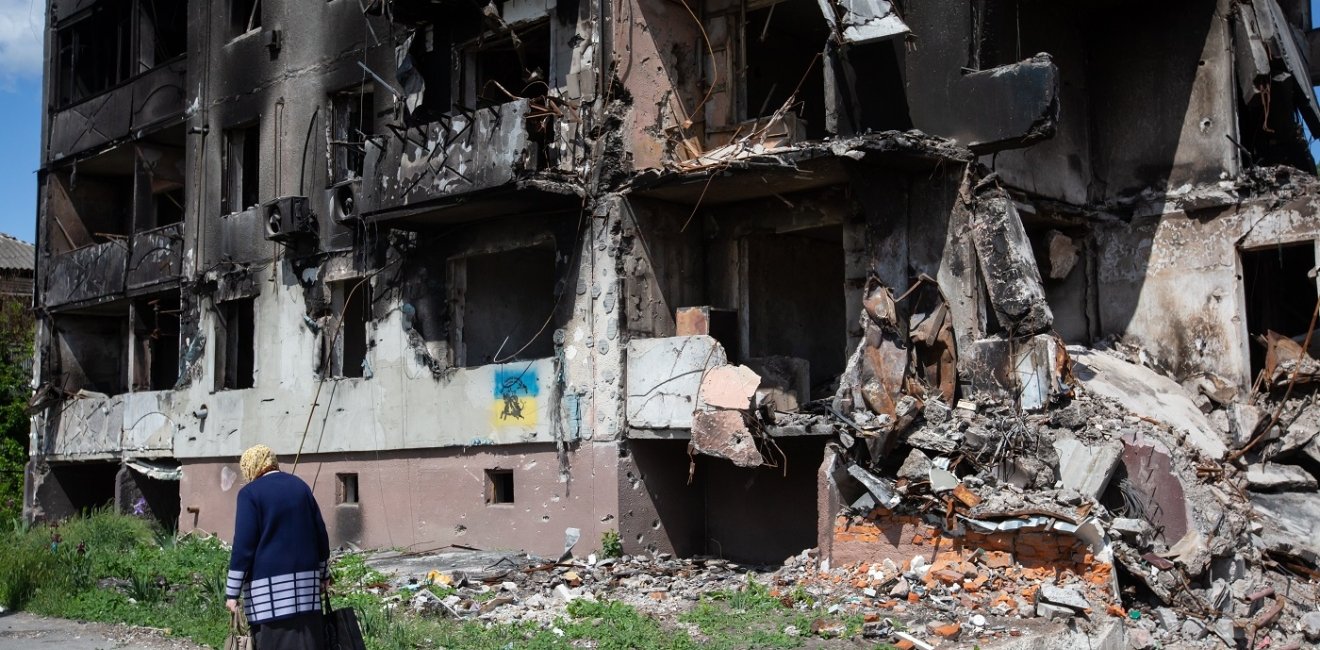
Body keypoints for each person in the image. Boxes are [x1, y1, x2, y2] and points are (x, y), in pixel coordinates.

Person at [225, 445, 330, 649]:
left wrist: (232, 593)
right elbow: (321, 534)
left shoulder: (250, 494)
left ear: (251, 467)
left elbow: (243, 547)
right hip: (307, 591)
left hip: (269, 598)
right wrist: (324, 574)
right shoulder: (300, 486)